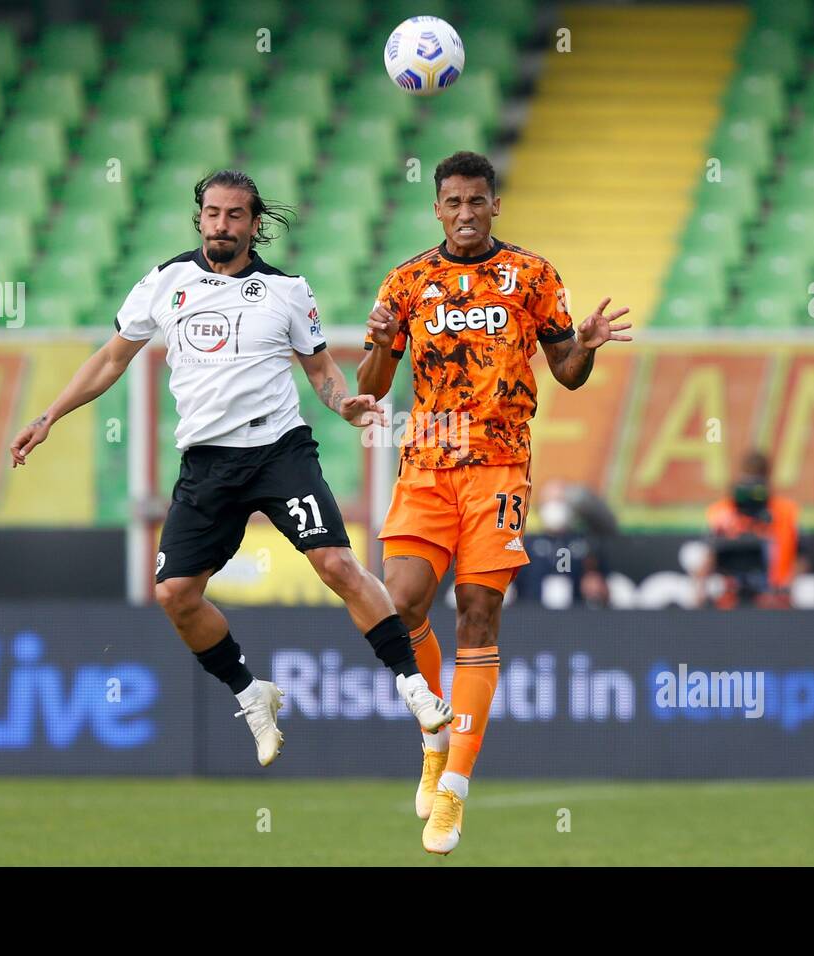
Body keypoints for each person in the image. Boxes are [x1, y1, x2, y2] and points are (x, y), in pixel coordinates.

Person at [8, 169, 452, 768]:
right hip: (207, 463)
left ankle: (413, 687)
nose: (221, 224)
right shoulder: (167, 282)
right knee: (175, 594)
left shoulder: (288, 290)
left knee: (337, 562)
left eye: (234, 215)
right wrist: (49, 415)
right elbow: (113, 358)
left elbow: (320, 370)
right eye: (212, 213)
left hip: (278, 452)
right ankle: (251, 693)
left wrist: (342, 402)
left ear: (254, 223)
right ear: (200, 217)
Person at [357, 151, 632, 854]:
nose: (466, 213)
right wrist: (383, 344)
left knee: (477, 615)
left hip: (500, 468)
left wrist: (589, 347)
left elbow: (566, 373)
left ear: (495, 205)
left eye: (478, 200)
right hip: (424, 462)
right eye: (453, 202)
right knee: (402, 601)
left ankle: (453, 792)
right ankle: (433, 734)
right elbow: (373, 384)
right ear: (438, 208)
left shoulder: (533, 276)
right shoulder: (408, 281)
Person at [695, 450, 800, 608]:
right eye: (748, 482)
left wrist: (786, 590)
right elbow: (710, 553)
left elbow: (800, 556)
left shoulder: (784, 511)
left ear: (767, 480)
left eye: (757, 483)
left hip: (773, 598)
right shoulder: (724, 512)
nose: (752, 490)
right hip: (730, 596)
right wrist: (699, 593)